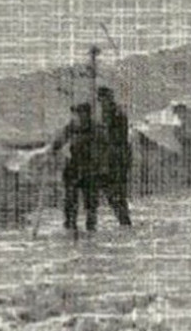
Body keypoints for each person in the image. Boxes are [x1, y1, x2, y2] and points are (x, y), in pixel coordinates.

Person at [51, 101, 98, 235]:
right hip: (73, 166)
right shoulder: (71, 127)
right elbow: (59, 141)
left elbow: (103, 149)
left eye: (80, 113)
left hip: (90, 168)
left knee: (90, 202)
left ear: (87, 114)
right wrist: (54, 148)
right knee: (70, 199)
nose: (78, 116)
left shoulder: (95, 129)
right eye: (76, 113)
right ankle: (70, 226)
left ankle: (91, 228)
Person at [96, 87, 133, 227]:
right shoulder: (108, 113)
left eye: (105, 99)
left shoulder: (116, 114)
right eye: (101, 100)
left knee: (115, 190)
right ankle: (123, 219)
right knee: (112, 190)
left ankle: (124, 220)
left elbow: (117, 137)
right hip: (113, 157)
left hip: (117, 157)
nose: (103, 102)